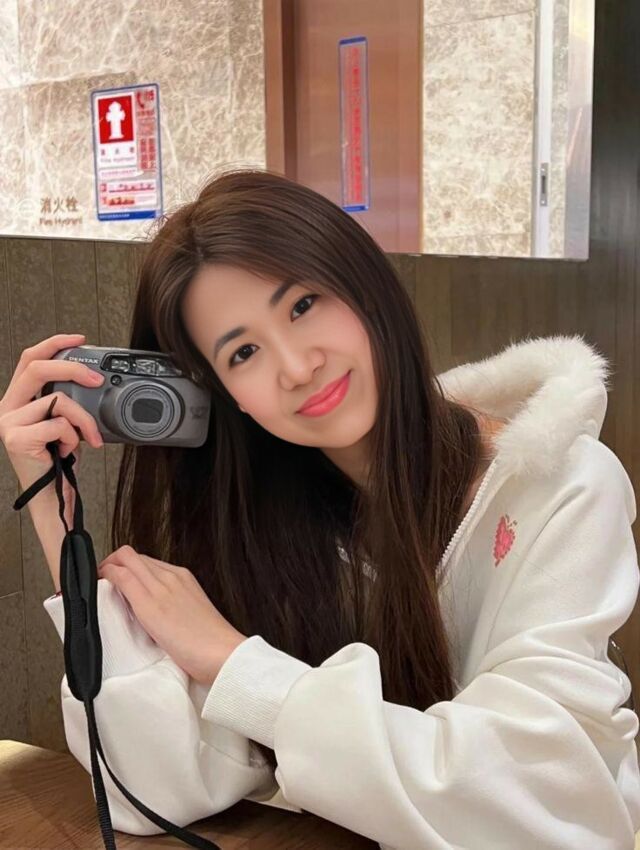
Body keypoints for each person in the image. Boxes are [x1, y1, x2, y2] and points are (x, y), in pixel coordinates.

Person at [1, 168, 639, 849]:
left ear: (364, 286)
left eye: (303, 305)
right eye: (244, 351)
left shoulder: (561, 484)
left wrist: (234, 664)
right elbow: (155, 790)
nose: (297, 366)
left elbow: (536, 797)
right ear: (225, 394)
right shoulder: (265, 527)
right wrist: (52, 511)